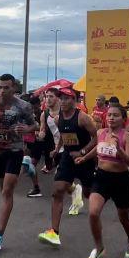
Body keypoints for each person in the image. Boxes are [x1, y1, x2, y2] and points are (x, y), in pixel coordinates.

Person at [0, 74, 36, 254]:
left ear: (14, 88)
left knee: (7, 191)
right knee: (3, 191)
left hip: (14, 151)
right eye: (0, 87)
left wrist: (26, 129)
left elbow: (34, 125)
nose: (2, 91)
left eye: (6, 88)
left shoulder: (23, 106)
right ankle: (27, 166)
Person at [73, 104, 129, 258]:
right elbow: (97, 148)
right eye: (109, 115)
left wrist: (119, 150)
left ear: (123, 119)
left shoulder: (126, 136)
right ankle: (99, 247)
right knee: (93, 213)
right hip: (101, 177)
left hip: (121, 180)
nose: (111, 118)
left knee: (124, 218)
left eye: (115, 115)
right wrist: (85, 158)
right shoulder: (100, 133)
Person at [37, 88, 97, 248]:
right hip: (68, 158)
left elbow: (96, 137)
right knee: (57, 190)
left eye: (66, 98)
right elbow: (64, 136)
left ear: (74, 100)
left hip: (85, 160)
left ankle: (97, 223)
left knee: (88, 193)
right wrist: (57, 149)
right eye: (61, 98)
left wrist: (83, 152)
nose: (62, 101)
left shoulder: (83, 118)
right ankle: (54, 232)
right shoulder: (58, 119)